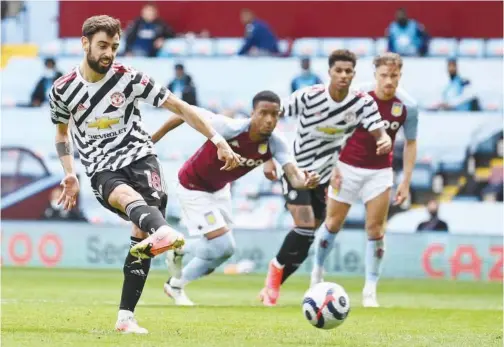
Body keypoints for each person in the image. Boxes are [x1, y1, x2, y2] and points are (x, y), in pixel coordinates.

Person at [49, 15, 240, 334]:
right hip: (100, 166)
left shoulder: (130, 78)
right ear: (85, 44)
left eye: (113, 46)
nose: (108, 53)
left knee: (140, 237)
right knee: (128, 201)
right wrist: (69, 173)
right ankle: (164, 232)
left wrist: (217, 140)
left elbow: (180, 107)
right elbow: (60, 133)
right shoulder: (63, 89)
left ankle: (125, 317)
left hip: (141, 157)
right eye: (102, 46)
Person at [151, 91, 320, 305]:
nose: (269, 120)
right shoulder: (230, 128)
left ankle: (175, 285)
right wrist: (152, 140)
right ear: (252, 114)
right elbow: (182, 111)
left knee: (222, 252)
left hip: (219, 190)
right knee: (221, 246)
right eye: (263, 113)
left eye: (275, 114)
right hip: (193, 186)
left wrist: (306, 182)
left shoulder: (276, 142)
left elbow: (294, 177)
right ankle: (179, 247)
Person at [259, 49, 392, 306]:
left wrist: (384, 140)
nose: (343, 76)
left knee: (308, 237)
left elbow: (379, 132)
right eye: (338, 71)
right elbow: (269, 117)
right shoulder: (309, 97)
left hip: (325, 176)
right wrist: (267, 157)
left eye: (348, 71)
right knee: (304, 226)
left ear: (354, 74)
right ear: (329, 72)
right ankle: (275, 270)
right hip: (296, 169)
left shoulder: (362, 103)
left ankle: (272, 286)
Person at [310, 53, 419, 308]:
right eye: (384, 75)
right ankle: (317, 271)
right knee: (333, 222)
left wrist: (405, 181)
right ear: (375, 75)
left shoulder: (407, 105)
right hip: (346, 167)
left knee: (375, 229)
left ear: (400, 76)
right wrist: (332, 165)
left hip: (380, 172)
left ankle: (370, 289)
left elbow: (412, 143)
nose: (389, 81)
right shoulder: (357, 96)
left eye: (394, 76)